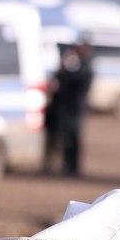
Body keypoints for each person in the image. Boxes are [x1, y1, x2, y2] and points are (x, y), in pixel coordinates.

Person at [46, 41, 93, 176]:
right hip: (69, 108)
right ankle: (68, 165)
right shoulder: (76, 65)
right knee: (67, 137)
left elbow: (75, 86)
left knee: (72, 138)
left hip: (74, 109)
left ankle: (72, 166)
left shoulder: (84, 68)